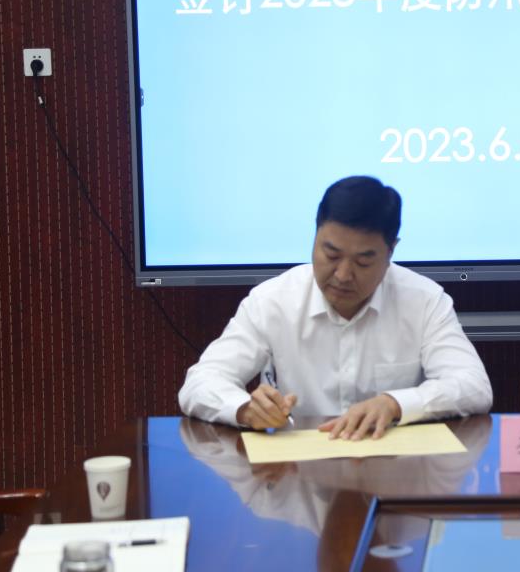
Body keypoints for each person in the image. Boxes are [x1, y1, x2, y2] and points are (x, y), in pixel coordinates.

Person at [179, 175, 492, 439]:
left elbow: (474, 386)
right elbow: (201, 382)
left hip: (392, 472)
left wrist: (395, 403)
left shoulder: (424, 300)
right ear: (315, 236)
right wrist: (245, 409)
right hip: (297, 477)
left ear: (390, 251)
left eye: (363, 261)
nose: (342, 275)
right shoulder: (272, 300)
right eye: (331, 254)